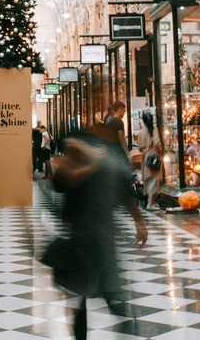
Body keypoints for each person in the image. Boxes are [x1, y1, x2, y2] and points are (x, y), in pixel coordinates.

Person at [47, 129, 148, 340]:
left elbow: (125, 193)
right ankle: (125, 328)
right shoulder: (85, 165)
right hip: (88, 237)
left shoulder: (98, 165)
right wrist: (139, 222)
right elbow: (62, 182)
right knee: (96, 292)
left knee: (94, 292)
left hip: (95, 237)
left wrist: (139, 222)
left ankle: (125, 328)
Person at [137, 111, 162, 211]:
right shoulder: (154, 130)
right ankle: (150, 202)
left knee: (148, 178)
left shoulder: (141, 132)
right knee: (154, 178)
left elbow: (139, 148)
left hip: (145, 156)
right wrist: (161, 152)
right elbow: (157, 143)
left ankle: (151, 201)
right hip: (153, 155)